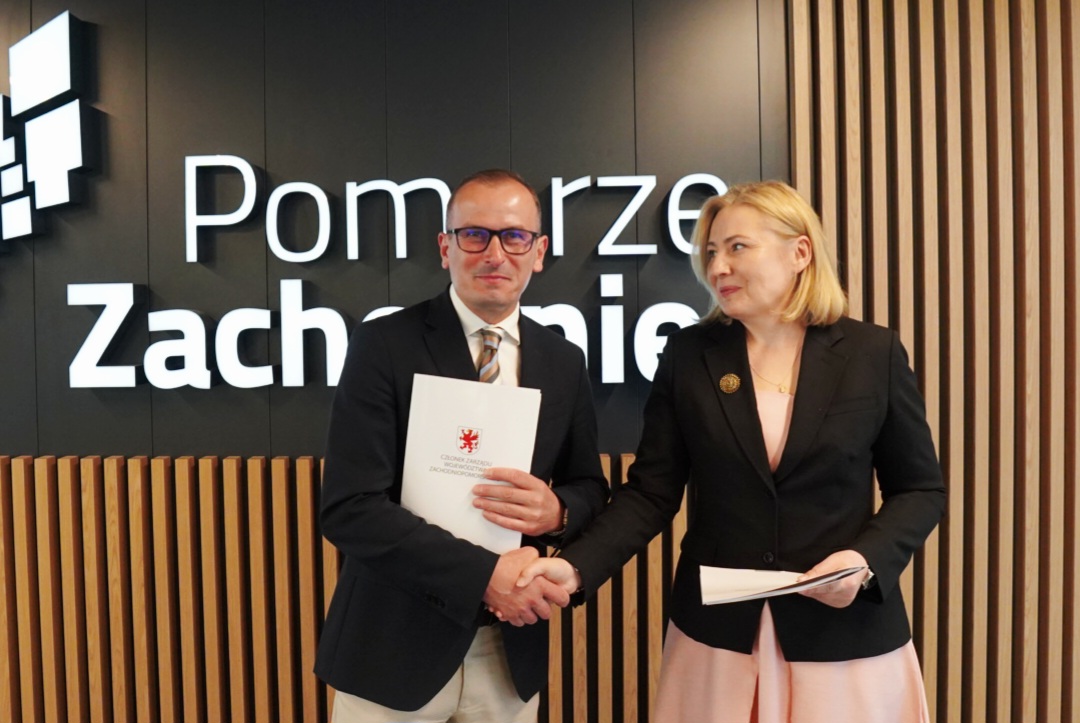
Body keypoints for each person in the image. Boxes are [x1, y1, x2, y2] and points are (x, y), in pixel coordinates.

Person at [520, 180, 946, 722]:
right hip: (719, 641)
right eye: (711, 252)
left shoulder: (872, 353)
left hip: (844, 637)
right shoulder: (688, 354)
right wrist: (576, 567)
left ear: (800, 252)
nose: (718, 267)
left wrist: (864, 564)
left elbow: (919, 490)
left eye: (737, 247)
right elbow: (651, 494)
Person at [316, 169, 610, 723]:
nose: (495, 253)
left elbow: (590, 487)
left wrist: (558, 510)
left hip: (510, 651)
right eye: (474, 235)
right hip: (392, 648)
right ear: (445, 247)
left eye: (514, 236)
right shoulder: (384, 344)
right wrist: (483, 578)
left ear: (538, 252)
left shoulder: (563, 361)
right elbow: (350, 508)